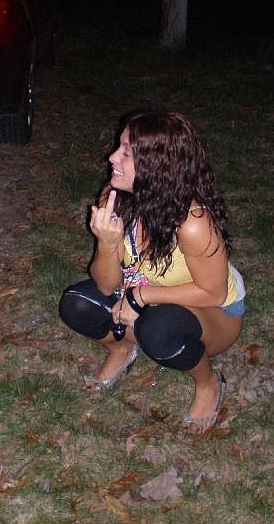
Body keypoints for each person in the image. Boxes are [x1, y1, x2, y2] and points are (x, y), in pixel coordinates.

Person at [58, 109, 245, 433]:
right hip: (153, 298)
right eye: (119, 147)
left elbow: (213, 292)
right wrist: (107, 244)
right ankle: (121, 348)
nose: (112, 157)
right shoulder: (116, 198)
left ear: (156, 166)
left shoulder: (192, 223)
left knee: (158, 329)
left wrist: (139, 297)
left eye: (126, 153)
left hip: (215, 313)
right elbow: (106, 287)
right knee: (77, 303)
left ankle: (208, 383)